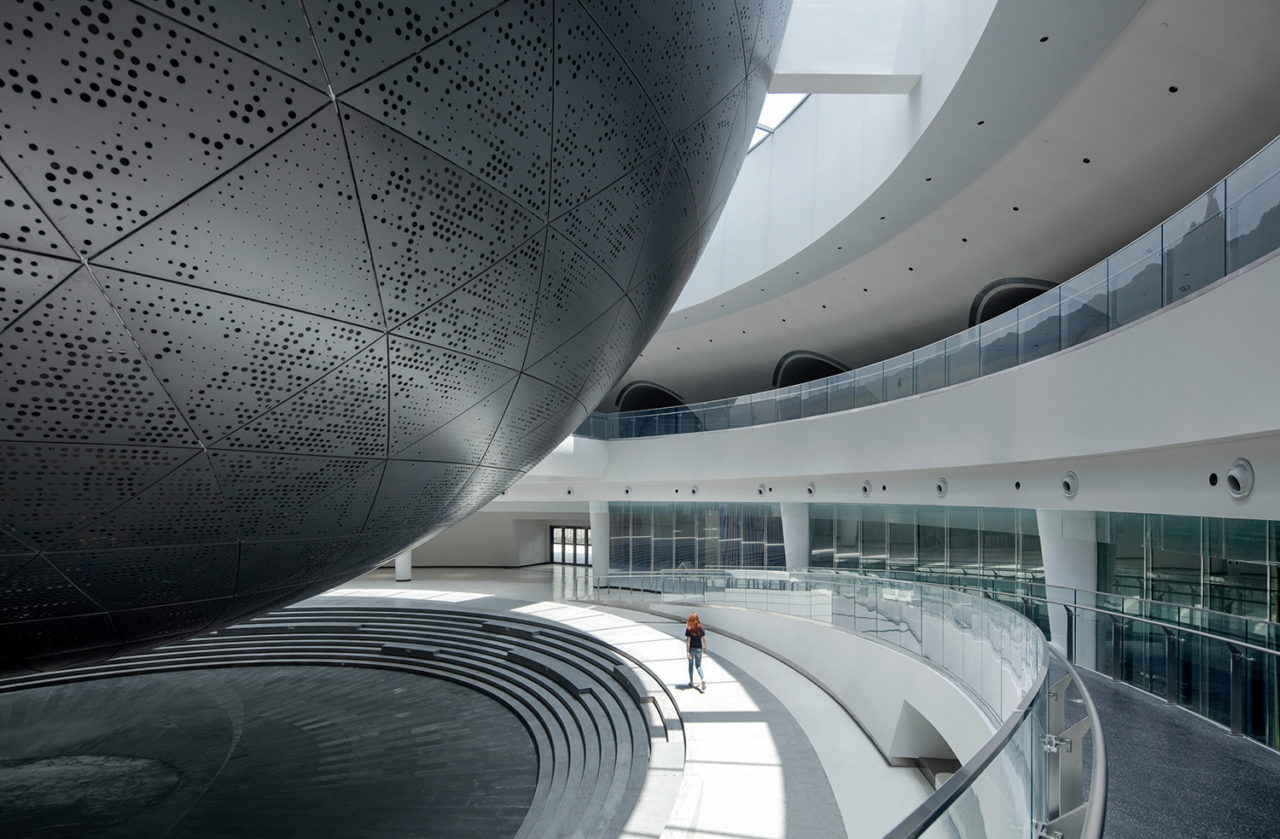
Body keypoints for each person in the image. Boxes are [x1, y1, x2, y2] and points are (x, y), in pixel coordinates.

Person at [685, 612, 707, 691]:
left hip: (691, 650)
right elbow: (704, 639)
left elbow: (688, 640)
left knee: (691, 665)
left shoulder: (689, 629)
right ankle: (702, 678)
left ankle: (691, 681)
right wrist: (705, 648)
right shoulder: (701, 628)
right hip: (699, 649)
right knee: (698, 665)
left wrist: (687, 651)